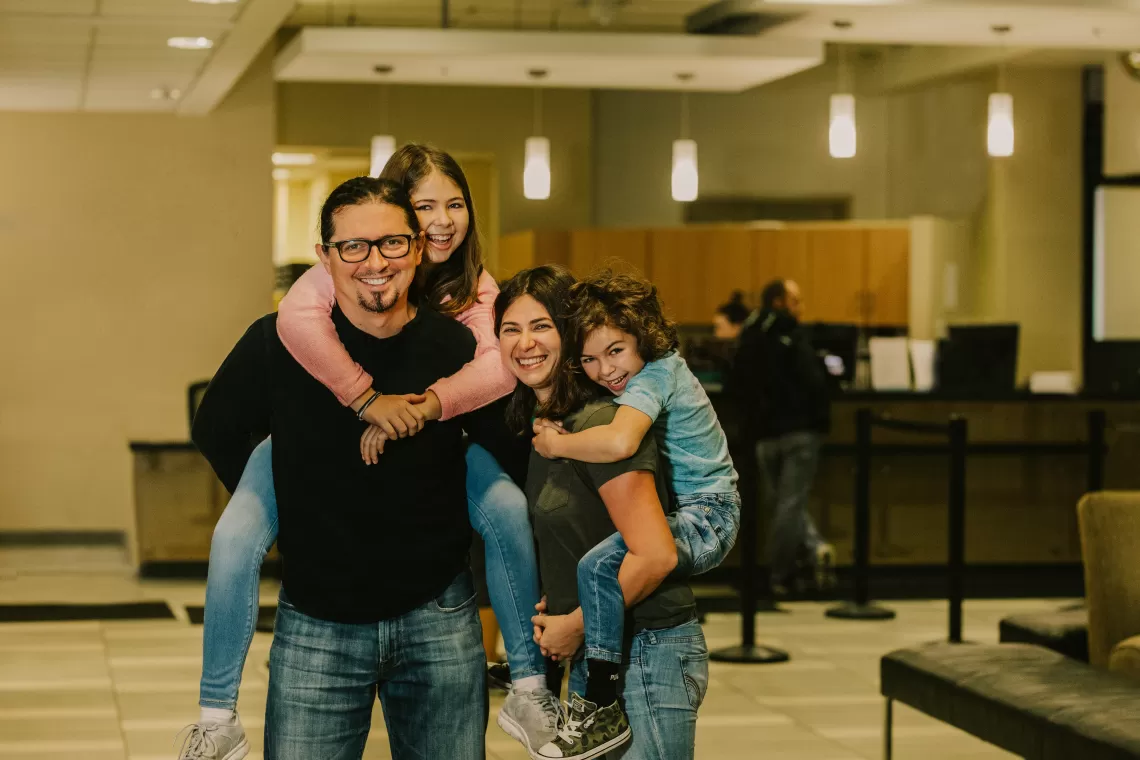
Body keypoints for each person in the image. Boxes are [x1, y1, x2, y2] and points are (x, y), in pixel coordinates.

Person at [181, 147, 558, 759]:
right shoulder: (282, 336)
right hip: (317, 623)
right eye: (354, 247)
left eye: (391, 245)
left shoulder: (459, 342)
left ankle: (529, 686)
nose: (374, 262)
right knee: (234, 538)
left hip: (439, 616)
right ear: (325, 256)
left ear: (413, 248)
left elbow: (505, 452)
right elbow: (218, 427)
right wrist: (289, 494)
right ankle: (215, 715)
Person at [495, 265, 709, 760]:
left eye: (541, 325)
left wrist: (574, 625)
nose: (525, 342)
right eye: (511, 329)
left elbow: (655, 555)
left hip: (646, 653)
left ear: (570, 333)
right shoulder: (549, 429)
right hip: (596, 658)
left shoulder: (600, 423)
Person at [730, 278, 835, 596]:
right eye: (796, 300)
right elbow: (814, 381)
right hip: (798, 431)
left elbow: (738, 380)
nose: (800, 307)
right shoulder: (794, 334)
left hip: (763, 435)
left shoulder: (750, 333)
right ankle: (781, 574)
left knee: (781, 505)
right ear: (779, 302)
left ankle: (812, 550)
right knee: (790, 504)